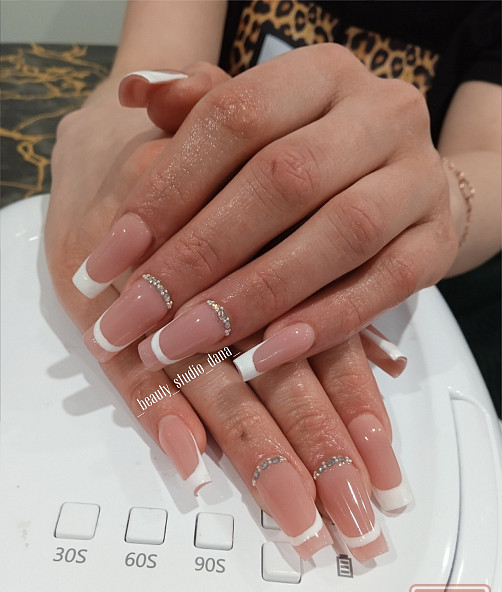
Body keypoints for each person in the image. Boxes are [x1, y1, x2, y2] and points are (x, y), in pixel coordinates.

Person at [45, 0, 501, 563]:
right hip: (189, 218)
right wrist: (122, 145)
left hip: (400, 294)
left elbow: (491, 159)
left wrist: (428, 203)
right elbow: (148, 77)